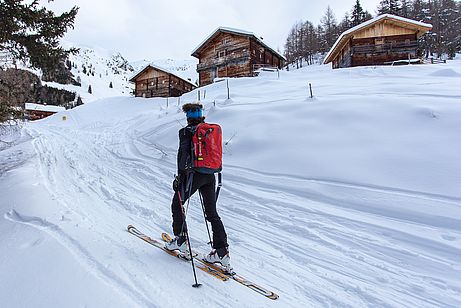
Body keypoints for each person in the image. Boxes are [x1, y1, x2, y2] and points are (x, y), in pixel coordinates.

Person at [164, 103, 231, 271]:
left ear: (188, 117)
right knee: (212, 212)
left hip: (193, 175)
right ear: (201, 115)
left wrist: (180, 177)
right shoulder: (210, 130)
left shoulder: (186, 132)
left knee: (177, 204)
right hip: (210, 175)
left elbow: (183, 155)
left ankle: (181, 241)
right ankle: (221, 252)